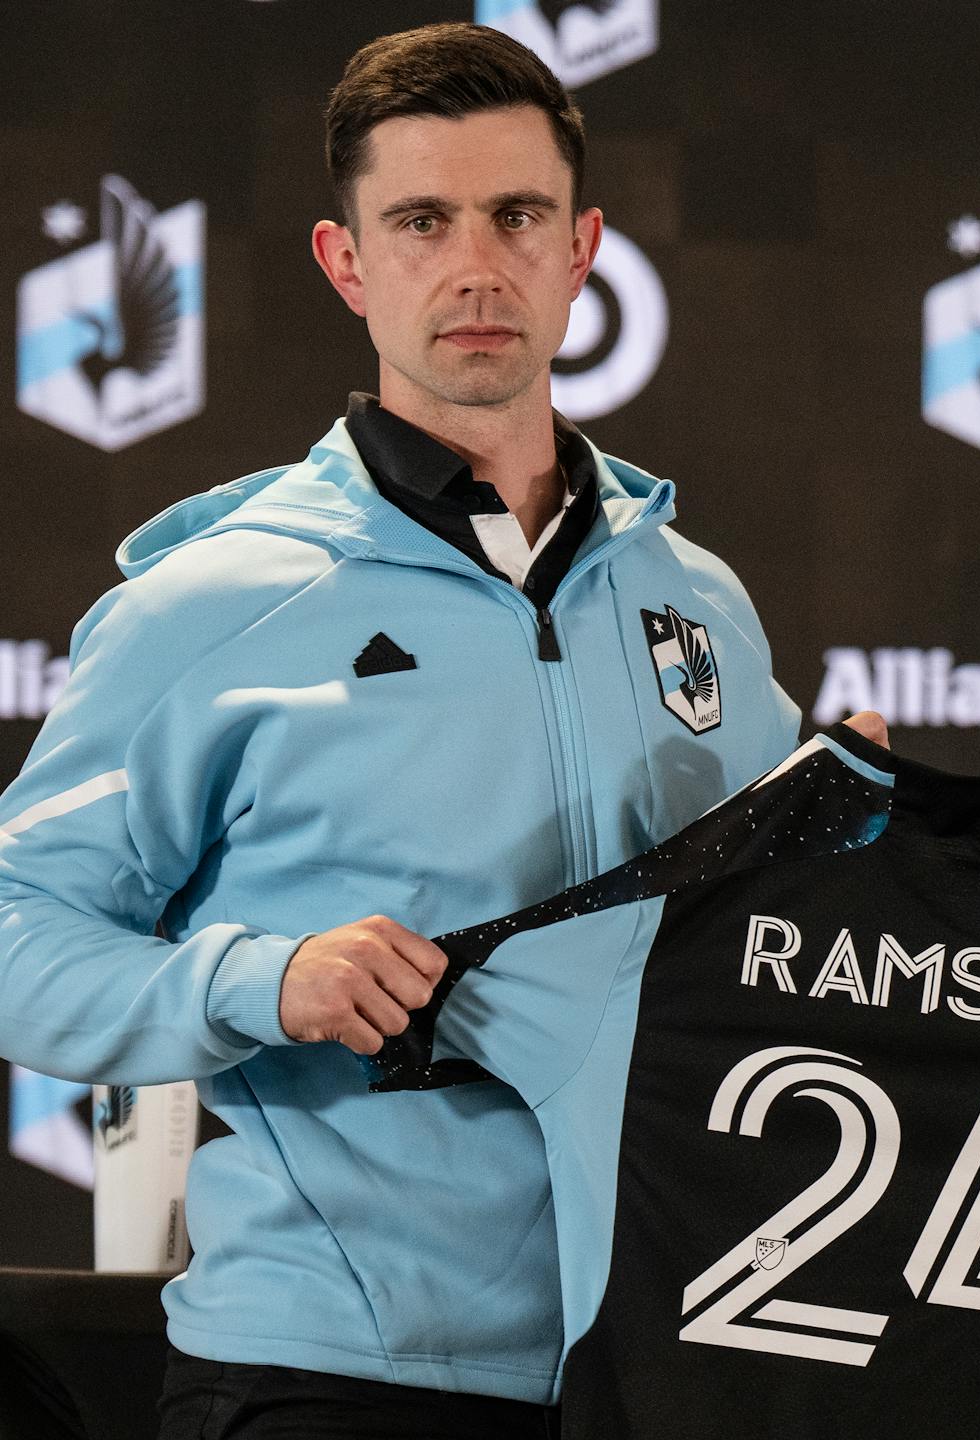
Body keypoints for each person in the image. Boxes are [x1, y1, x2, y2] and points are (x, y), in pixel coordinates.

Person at [0, 23, 810, 1438]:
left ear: (584, 249)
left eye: (519, 216)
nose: (477, 267)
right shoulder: (217, 598)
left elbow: (799, 953)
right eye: (423, 221)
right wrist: (260, 980)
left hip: (673, 1363)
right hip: (332, 1372)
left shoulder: (698, 599)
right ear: (348, 263)